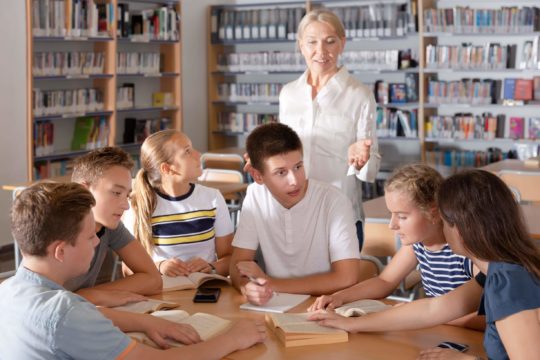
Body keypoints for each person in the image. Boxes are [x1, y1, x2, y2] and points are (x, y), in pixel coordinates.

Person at [0, 182, 266, 359]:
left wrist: (146, 321)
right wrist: (234, 338)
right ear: (60, 251)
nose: (97, 241)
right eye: (89, 236)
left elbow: (85, 315)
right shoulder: (66, 313)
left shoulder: (9, 290)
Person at [309, 170, 540, 360]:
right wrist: (350, 324)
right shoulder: (497, 272)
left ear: (460, 229)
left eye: (445, 221)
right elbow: (434, 308)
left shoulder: (509, 283)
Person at [309, 164, 483, 330]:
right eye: (391, 215)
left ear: (434, 213)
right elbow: (384, 281)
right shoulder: (418, 245)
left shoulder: (466, 252)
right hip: (437, 330)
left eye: (401, 216)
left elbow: (488, 317)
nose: (392, 225)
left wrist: (424, 315)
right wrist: (338, 297)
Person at [279, 8, 381, 248]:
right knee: (294, 286)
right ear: (301, 46)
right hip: (293, 212)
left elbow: (372, 168)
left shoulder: (360, 95)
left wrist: (362, 159)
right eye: (312, 42)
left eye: (330, 41)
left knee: (342, 286)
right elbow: (283, 153)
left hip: (340, 215)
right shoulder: (289, 94)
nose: (321, 51)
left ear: (342, 44)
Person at [230, 123, 361, 306]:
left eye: (298, 167)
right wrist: (246, 287)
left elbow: (346, 277)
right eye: (281, 172)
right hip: (275, 305)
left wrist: (272, 283)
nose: (294, 181)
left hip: (324, 306)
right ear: (258, 176)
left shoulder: (334, 200)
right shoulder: (255, 195)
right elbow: (238, 263)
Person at [124, 129, 234, 277]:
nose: (198, 155)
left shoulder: (213, 198)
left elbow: (230, 259)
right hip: (160, 293)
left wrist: (211, 267)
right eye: (187, 151)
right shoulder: (137, 204)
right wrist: (160, 266)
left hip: (204, 288)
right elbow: (127, 269)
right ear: (167, 168)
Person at [68, 146, 162, 307]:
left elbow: (154, 280)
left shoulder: (110, 225)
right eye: (116, 193)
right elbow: (49, 302)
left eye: (127, 195)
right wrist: (86, 298)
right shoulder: (56, 229)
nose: (125, 206)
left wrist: (90, 295)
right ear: (84, 190)